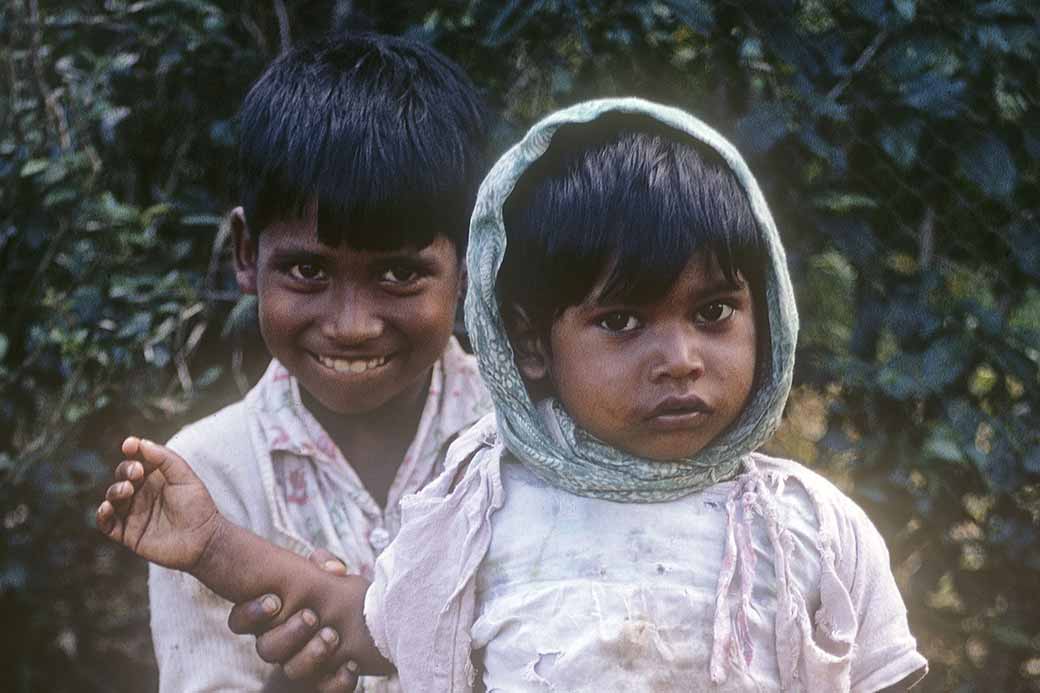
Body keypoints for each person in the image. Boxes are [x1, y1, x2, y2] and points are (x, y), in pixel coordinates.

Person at [98, 98, 928, 692]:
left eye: (713, 312)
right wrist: (212, 544)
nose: (679, 358)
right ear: (532, 343)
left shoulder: (814, 528)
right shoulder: (482, 507)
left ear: (769, 314)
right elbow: (361, 619)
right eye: (622, 320)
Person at [131, 31, 492, 693]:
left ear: (469, 264)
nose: (351, 324)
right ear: (247, 253)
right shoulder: (202, 481)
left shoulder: (526, 443)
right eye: (306, 269)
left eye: (401, 274)